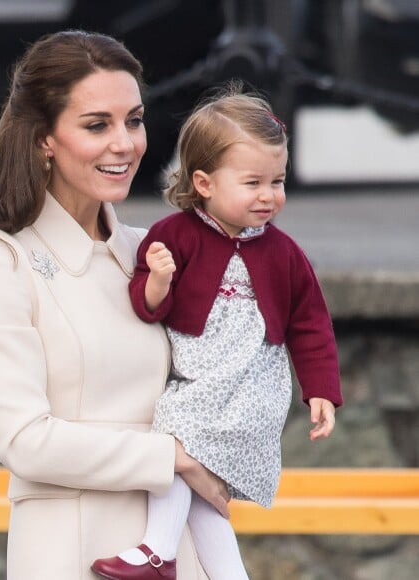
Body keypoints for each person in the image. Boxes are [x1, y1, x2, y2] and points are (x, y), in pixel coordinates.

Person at [0, 30, 230, 580]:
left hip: (181, 549)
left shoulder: (152, 251)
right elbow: (25, 441)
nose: (126, 143)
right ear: (44, 137)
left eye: (134, 121)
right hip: (73, 555)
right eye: (97, 125)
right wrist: (177, 460)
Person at [91, 85, 343, 580]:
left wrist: (321, 391)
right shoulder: (173, 236)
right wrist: (159, 281)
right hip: (200, 378)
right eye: (253, 182)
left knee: (176, 434)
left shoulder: (284, 252)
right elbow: (145, 307)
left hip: (250, 387)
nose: (269, 195)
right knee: (203, 488)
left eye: (278, 180)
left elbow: (310, 322)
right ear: (204, 182)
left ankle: (158, 551)